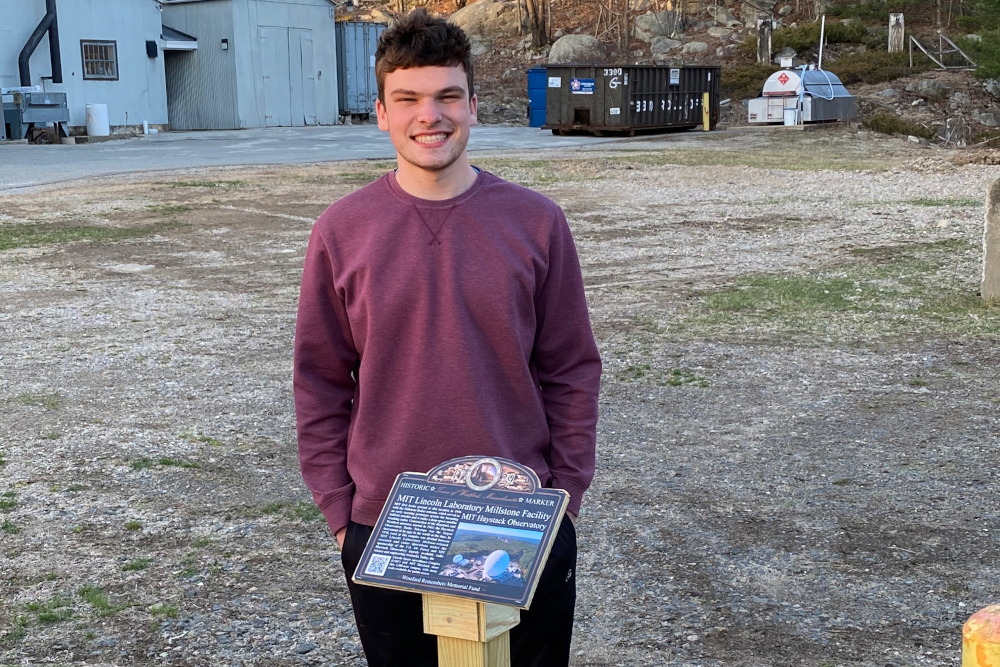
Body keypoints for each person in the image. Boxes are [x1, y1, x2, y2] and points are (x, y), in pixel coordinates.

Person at [293, 9, 601, 667]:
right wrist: (343, 514)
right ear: (380, 111)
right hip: (390, 522)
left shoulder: (536, 223)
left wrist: (566, 495)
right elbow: (319, 380)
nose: (428, 115)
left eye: (446, 96)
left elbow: (571, 366)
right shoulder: (341, 232)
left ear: (474, 106)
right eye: (407, 99)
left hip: (521, 518)